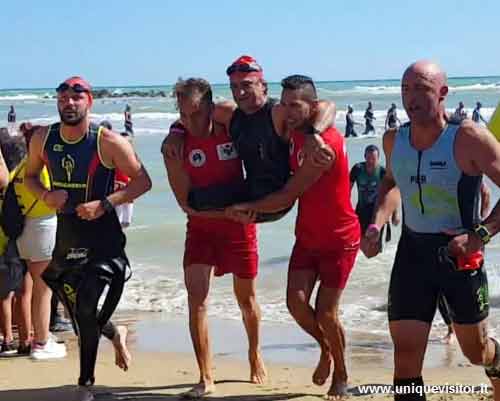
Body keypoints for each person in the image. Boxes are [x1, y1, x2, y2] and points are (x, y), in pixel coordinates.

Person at [362, 60, 500, 401]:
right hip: (413, 255)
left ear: (442, 93)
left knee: (475, 352)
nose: (412, 97)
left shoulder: (468, 138)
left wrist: (479, 235)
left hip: (460, 258)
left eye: (422, 88)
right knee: (406, 358)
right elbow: (391, 184)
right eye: (405, 89)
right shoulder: (394, 140)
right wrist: (376, 224)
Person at [228, 75, 360, 399]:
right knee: (296, 304)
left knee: (327, 312)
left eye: (295, 106)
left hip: (340, 239)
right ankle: (326, 348)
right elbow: (328, 105)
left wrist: (247, 208)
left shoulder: (323, 146)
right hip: (308, 237)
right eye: (284, 104)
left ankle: (341, 374)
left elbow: (288, 194)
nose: (287, 112)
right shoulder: (297, 134)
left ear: (311, 107)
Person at [25, 76, 151, 400]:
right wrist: (46, 195)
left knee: (83, 308)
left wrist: (105, 203)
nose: (69, 103)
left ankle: (85, 385)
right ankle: (114, 331)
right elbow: (29, 177)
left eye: (76, 97)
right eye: (63, 98)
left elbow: (143, 181)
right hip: (67, 237)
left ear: (89, 102)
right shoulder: (43, 138)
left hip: (102, 239)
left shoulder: (107, 141)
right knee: (77, 312)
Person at [164, 78, 266, 397]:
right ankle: (205, 375)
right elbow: (185, 204)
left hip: (239, 226)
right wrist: (176, 131)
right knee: (197, 300)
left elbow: (254, 121)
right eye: (183, 115)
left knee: (246, 300)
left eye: (196, 113)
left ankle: (254, 353)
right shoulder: (176, 145)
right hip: (203, 226)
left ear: (210, 106)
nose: (190, 122)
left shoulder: (231, 127)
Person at [163, 55, 335, 222]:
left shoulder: (276, 112)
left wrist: (314, 133)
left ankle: (236, 214)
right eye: (234, 87)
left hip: (276, 200)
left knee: (203, 204)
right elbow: (191, 114)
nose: (240, 92)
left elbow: (326, 105)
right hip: (249, 189)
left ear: (264, 86)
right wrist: (175, 133)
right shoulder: (231, 114)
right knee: (195, 200)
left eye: (246, 85)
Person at [350, 144, 399, 241]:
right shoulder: (358, 169)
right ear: (364, 157)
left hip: (376, 213)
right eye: (368, 158)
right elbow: (346, 190)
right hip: (361, 211)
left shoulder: (382, 172)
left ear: (378, 158)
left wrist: (395, 214)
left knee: (374, 245)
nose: (370, 161)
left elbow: (391, 194)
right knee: (358, 242)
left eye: (373, 158)